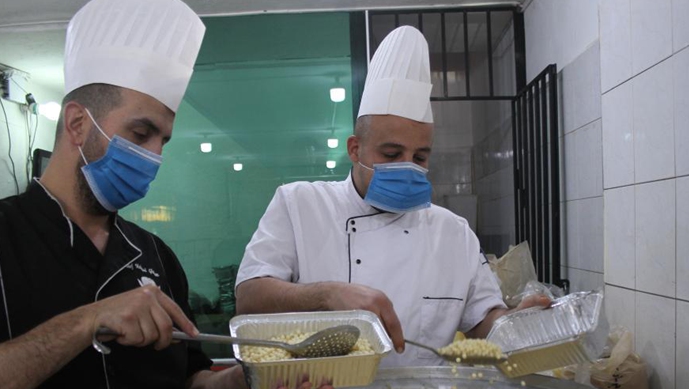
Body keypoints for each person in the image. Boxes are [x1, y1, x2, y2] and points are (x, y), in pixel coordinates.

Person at [0, 1, 328, 389]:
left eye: (163, 141)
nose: (155, 156)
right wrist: (87, 321)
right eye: (141, 133)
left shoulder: (156, 255)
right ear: (77, 124)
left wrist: (251, 374)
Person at [235, 26, 549, 368]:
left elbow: (483, 323)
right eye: (391, 154)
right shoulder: (300, 204)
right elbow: (249, 299)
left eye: (419, 157)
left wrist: (515, 323)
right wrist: (326, 295)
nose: (407, 166)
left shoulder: (453, 233)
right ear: (355, 149)